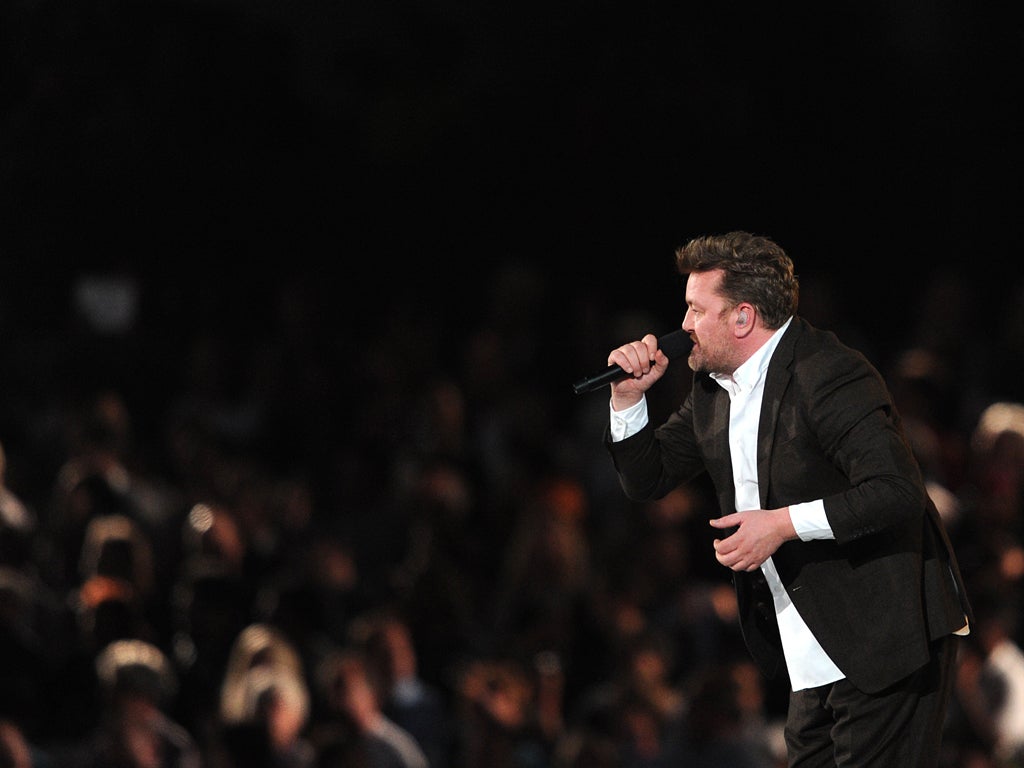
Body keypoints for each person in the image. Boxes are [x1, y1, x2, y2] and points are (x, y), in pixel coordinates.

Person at [600, 231, 973, 767]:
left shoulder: (828, 372)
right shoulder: (713, 390)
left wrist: (781, 525)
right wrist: (628, 399)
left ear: (743, 317)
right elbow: (648, 479)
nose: (682, 326)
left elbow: (897, 493)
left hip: (885, 637)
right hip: (809, 646)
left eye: (694, 309)